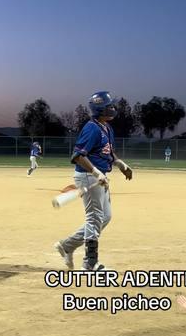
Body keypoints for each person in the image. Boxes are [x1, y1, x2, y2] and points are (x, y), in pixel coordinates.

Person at [54, 91, 133, 271]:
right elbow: (78, 156)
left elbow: (108, 152)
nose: (113, 108)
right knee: (94, 217)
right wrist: (97, 172)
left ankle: (67, 246)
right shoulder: (92, 128)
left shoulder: (107, 128)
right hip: (89, 176)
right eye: (109, 106)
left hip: (100, 177)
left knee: (105, 217)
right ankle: (90, 262)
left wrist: (121, 164)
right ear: (99, 109)